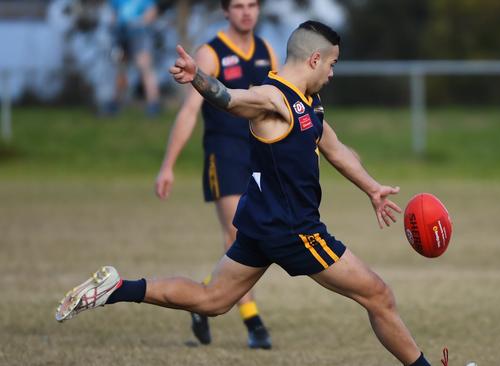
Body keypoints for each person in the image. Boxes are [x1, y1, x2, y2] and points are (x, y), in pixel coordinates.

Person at [55, 21, 434, 366]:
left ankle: (116, 288)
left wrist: (371, 188)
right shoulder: (273, 98)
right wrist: (198, 77)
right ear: (315, 58)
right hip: (293, 229)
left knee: (212, 300)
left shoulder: (309, 103)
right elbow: (231, 99)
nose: (333, 73)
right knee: (378, 295)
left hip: (261, 224)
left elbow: (332, 146)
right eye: (332, 63)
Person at [155, 0, 277, 348]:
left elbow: (281, 104)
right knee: (238, 234)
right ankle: (254, 323)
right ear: (225, 11)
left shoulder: (267, 50)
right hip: (223, 154)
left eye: (252, 4)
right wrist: (168, 165)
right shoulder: (210, 53)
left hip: (259, 156)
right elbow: (190, 111)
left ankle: (203, 300)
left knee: (261, 236)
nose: (246, 12)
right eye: (238, 5)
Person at [110, 0, 161, 116]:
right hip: (121, 33)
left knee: (145, 66)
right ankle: (116, 103)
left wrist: (139, 24)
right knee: (121, 68)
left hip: (139, 33)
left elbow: (152, 12)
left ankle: (153, 103)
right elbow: (114, 14)